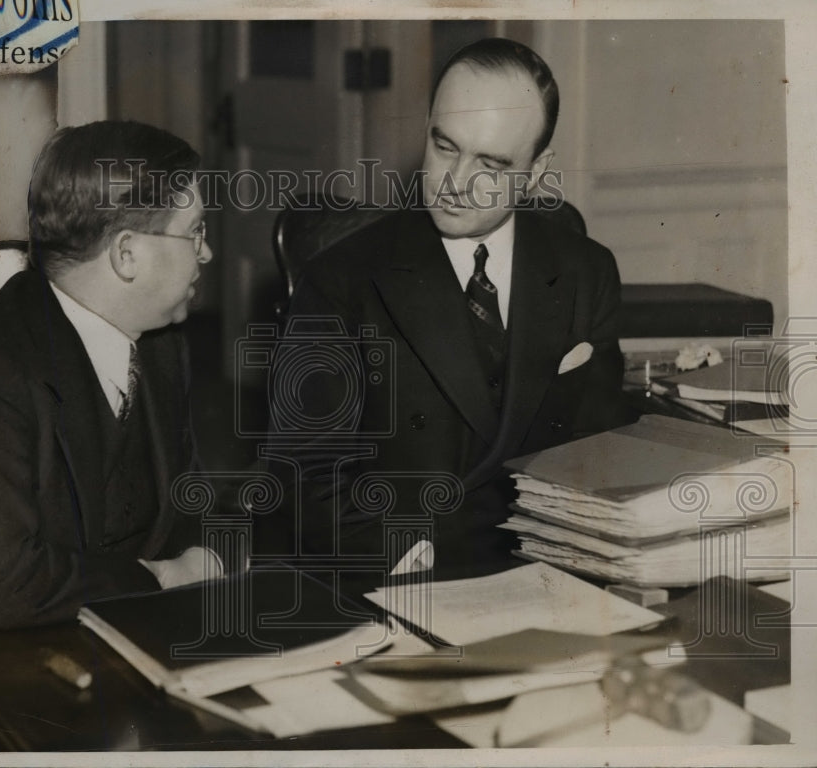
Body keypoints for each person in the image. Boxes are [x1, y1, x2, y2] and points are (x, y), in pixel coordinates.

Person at [265, 38, 632, 578]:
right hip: (401, 576)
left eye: (491, 163)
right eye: (445, 147)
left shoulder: (586, 271)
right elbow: (304, 478)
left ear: (535, 169)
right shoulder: (342, 279)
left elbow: (598, 452)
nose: (456, 184)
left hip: (547, 568)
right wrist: (415, 566)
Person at [0, 121, 217, 629]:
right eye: (195, 232)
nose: (206, 253)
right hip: (1, 662)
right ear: (127, 254)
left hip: (130, 633)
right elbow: (0, 586)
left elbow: (190, 503)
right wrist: (159, 580)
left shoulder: (163, 347)